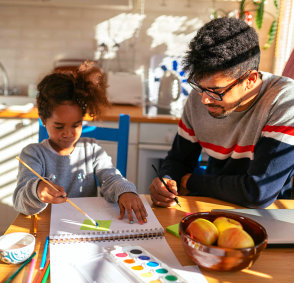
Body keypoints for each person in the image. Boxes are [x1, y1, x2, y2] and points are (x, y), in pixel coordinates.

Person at [149, 17, 294, 209]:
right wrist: (167, 180)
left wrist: (190, 182)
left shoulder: (285, 100)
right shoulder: (200, 95)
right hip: (213, 204)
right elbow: (179, 159)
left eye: (216, 91)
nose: (204, 100)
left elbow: (259, 192)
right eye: (199, 87)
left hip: (272, 215)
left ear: (250, 80)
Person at [13, 61, 147, 224]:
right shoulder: (33, 154)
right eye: (59, 126)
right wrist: (37, 189)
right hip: (46, 229)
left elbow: (111, 178)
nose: (68, 133)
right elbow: (20, 203)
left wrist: (125, 192)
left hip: (85, 227)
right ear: (43, 120)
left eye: (76, 125)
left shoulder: (92, 150)